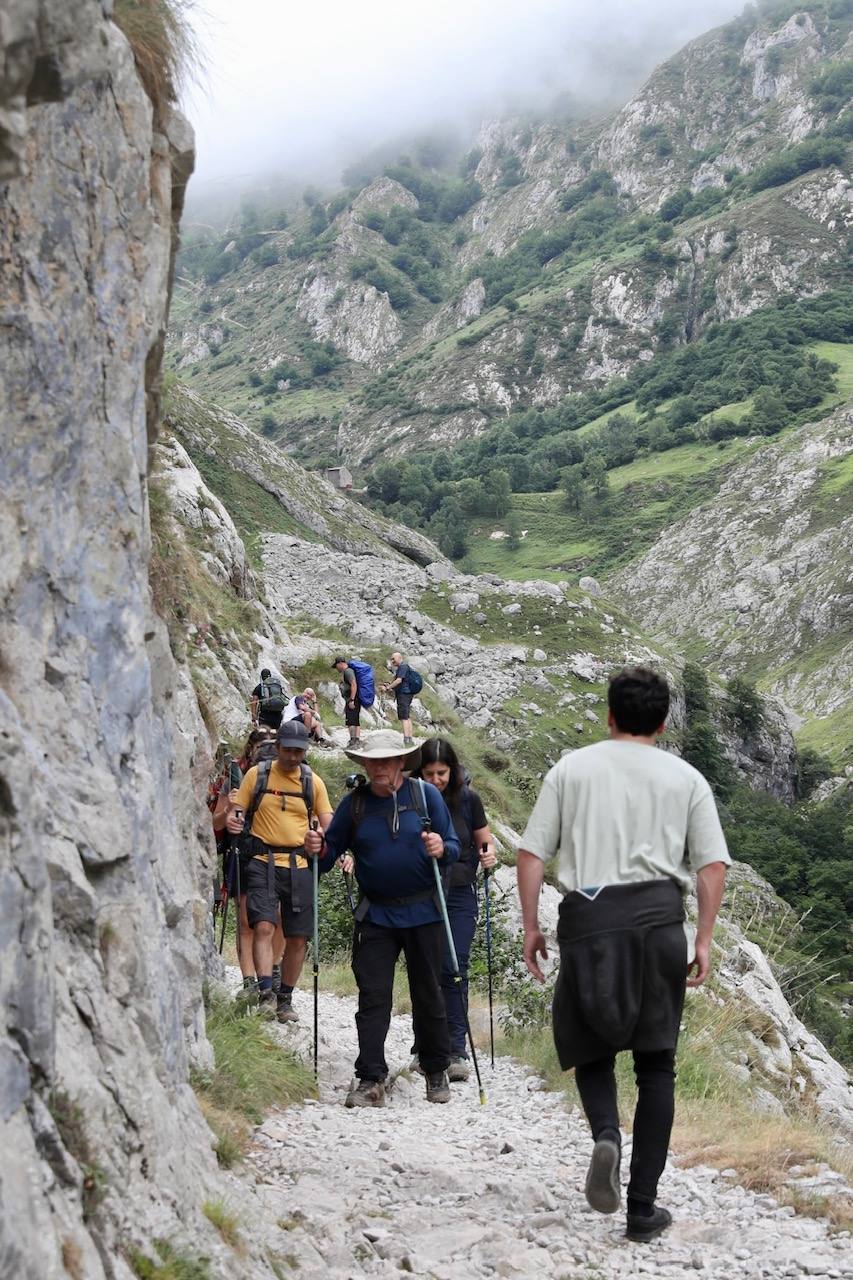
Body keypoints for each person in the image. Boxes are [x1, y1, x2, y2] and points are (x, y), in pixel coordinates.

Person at [517, 666, 730, 1244]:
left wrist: (532, 926)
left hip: (588, 918)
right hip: (660, 919)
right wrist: (702, 938)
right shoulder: (686, 778)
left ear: (609, 716)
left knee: (592, 1047)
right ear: (663, 722)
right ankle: (641, 1208)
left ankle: (606, 1133)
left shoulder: (571, 769)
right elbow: (712, 866)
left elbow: (532, 853)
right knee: (657, 1063)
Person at [305, 729, 460, 1108]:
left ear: (400, 763)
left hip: (424, 910)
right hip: (377, 913)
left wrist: (442, 847)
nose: (378, 768)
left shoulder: (426, 797)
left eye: (385, 761)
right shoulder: (354, 805)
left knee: (428, 992)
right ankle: (370, 1077)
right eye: (372, 761)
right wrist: (317, 847)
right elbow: (326, 859)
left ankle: (435, 1068)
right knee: (373, 996)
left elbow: (454, 846)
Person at [226, 720, 334, 1023]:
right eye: (288, 750)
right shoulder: (256, 775)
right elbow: (239, 811)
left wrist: (323, 840)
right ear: (278, 747)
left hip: (299, 864)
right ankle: (265, 993)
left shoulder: (313, 782)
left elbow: (329, 823)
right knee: (263, 926)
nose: (293, 756)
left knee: (298, 936)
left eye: (299, 751)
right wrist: (234, 821)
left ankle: (285, 998)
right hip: (262, 860)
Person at [413, 738, 497, 1081]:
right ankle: (425, 1046)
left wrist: (489, 856)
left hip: (461, 891)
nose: (436, 779)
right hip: (421, 892)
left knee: (455, 965)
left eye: (442, 773)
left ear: (454, 770)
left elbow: (485, 842)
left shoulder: (468, 800)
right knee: (426, 967)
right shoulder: (411, 798)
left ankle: (456, 1048)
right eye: (429, 773)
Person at [382, 651, 415, 746]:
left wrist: (388, 688)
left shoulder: (403, 667)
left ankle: (406, 740)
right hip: (407, 694)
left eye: (393, 659)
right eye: (391, 659)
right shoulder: (405, 667)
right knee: (407, 717)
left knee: (403, 717)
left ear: (399, 658)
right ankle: (409, 739)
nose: (392, 661)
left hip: (403, 694)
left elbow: (399, 680)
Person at [332, 656, 361, 749]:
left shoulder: (348, 671)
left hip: (352, 699)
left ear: (340, 663)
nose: (336, 669)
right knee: (355, 720)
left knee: (351, 721)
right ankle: (356, 741)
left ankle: (353, 742)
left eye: (336, 666)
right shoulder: (348, 671)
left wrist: (351, 700)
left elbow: (353, 684)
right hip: (354, 699)